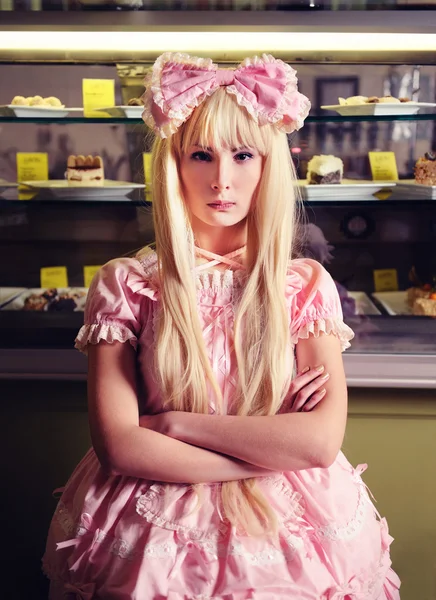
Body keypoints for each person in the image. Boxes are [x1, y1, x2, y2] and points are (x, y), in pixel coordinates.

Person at [42, 52, 401, 599]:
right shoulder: (128, 285)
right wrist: (267, 454)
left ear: (267, 164)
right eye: (201, 156)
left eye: (243, 154)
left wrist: (173, 425)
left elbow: (319, 442)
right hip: (151, 521)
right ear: (174, 165)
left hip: (291, 530)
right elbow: (120, 446)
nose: (222, 180)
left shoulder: (302, 285)